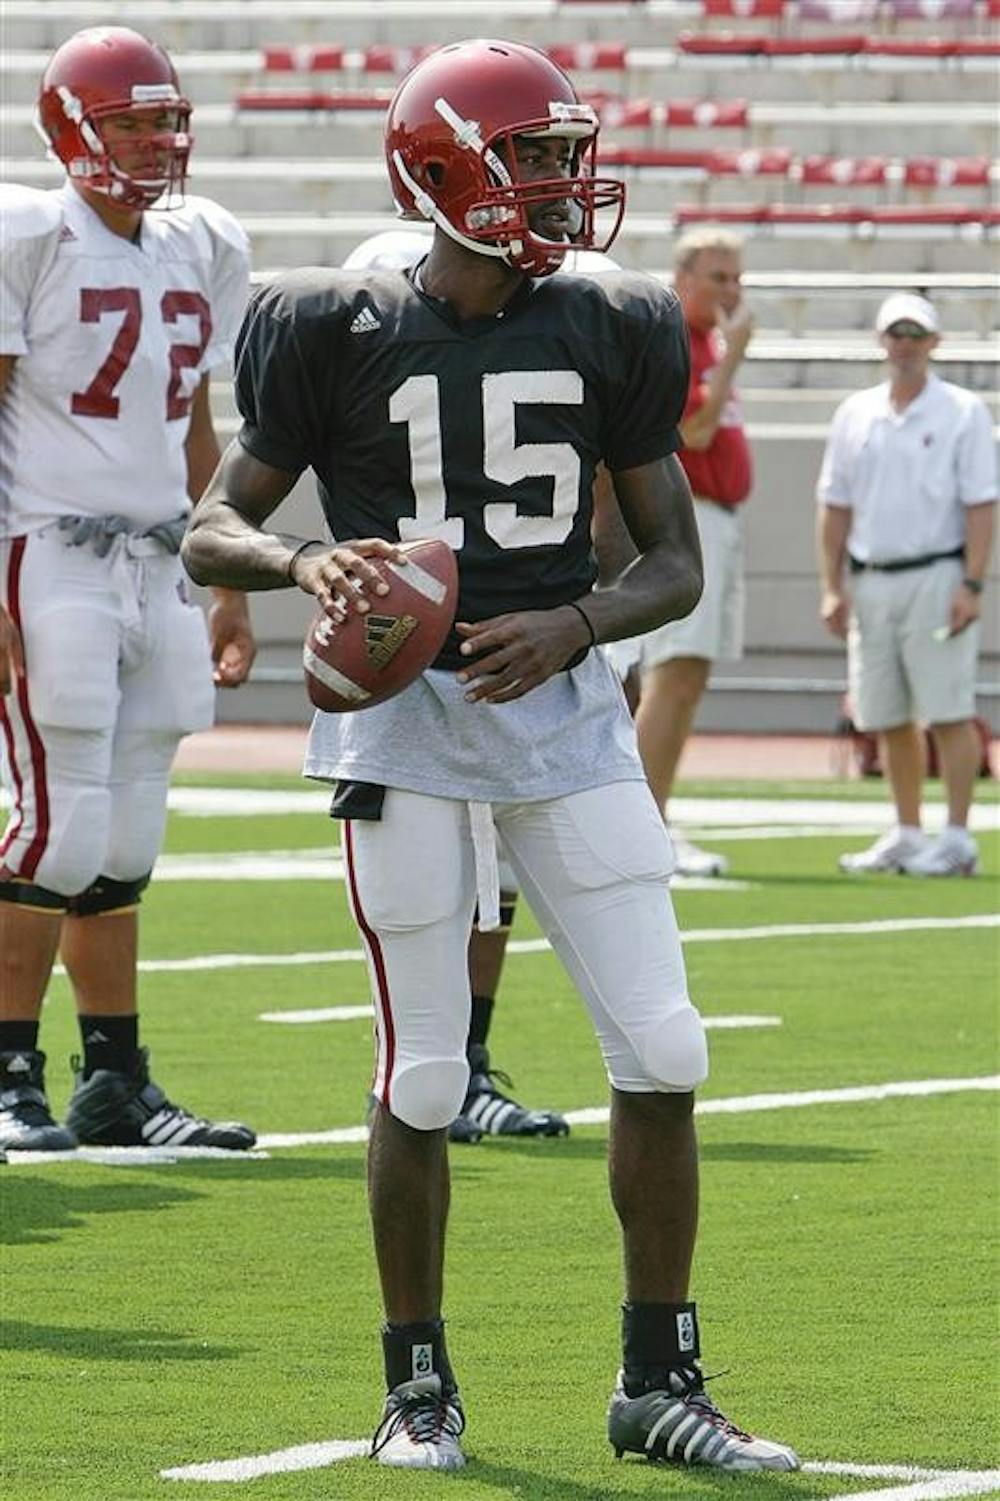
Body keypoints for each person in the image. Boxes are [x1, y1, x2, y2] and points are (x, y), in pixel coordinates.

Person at [183, 38, 799, 1473]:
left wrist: (573, 626)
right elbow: (212, 521)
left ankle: (659, 1380)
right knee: (423, 1074)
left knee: (664, 1045)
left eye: (567, 158)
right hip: (401, 724)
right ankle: (416, 1388)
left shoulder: (616, 322)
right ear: (446, 165)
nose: (564, 187)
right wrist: (303, 562)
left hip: (565, 719)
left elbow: (673, 563)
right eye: (535, 160)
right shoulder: (325, 322)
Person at [0, 26, 258, 1153]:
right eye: (135, 122)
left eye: (167, 120)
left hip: (160, 557)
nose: (159, 142)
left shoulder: (200, 241)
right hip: (50, 546)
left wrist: (226, 562)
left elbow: (193, 416)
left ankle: (116, 1078)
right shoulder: (29, 232)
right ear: (75, 132)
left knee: (129, 830)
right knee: (58, 828)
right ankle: (9, 1076)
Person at [344, 225, 570, 1144]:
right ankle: (440, 1064)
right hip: (414, 656)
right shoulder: (366, 296)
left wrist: (580, 612)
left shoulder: (570, 303)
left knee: (501, 872)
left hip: (533, 619)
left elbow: (611, 481)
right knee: (427, 890)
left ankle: (470, 1059)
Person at [817, 291, 996, 876]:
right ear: (881, 341)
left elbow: (980, 504)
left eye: (915, 334)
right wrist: (832, 584)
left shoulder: (963, 410)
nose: (905, 345)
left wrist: (972, 581)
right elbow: (834, 504)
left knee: (948, 708)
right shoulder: (856, 413)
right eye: (896, 333)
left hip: (937, 572)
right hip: (872, 579)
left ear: (934, 343)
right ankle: (908, 830)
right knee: (885, 713)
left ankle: (957, 835)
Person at [611, 228, 754, 878]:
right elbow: (690, 432)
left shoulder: (701, 343)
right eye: (719, 277)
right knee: (673, 676)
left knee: (686, 678)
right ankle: (646, 826)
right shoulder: (680, 343)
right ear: (684, 279)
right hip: (687, 513)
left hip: (715, 512)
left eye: (736, 277)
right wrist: (731, 362)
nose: (732, 290)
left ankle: (653, 819)